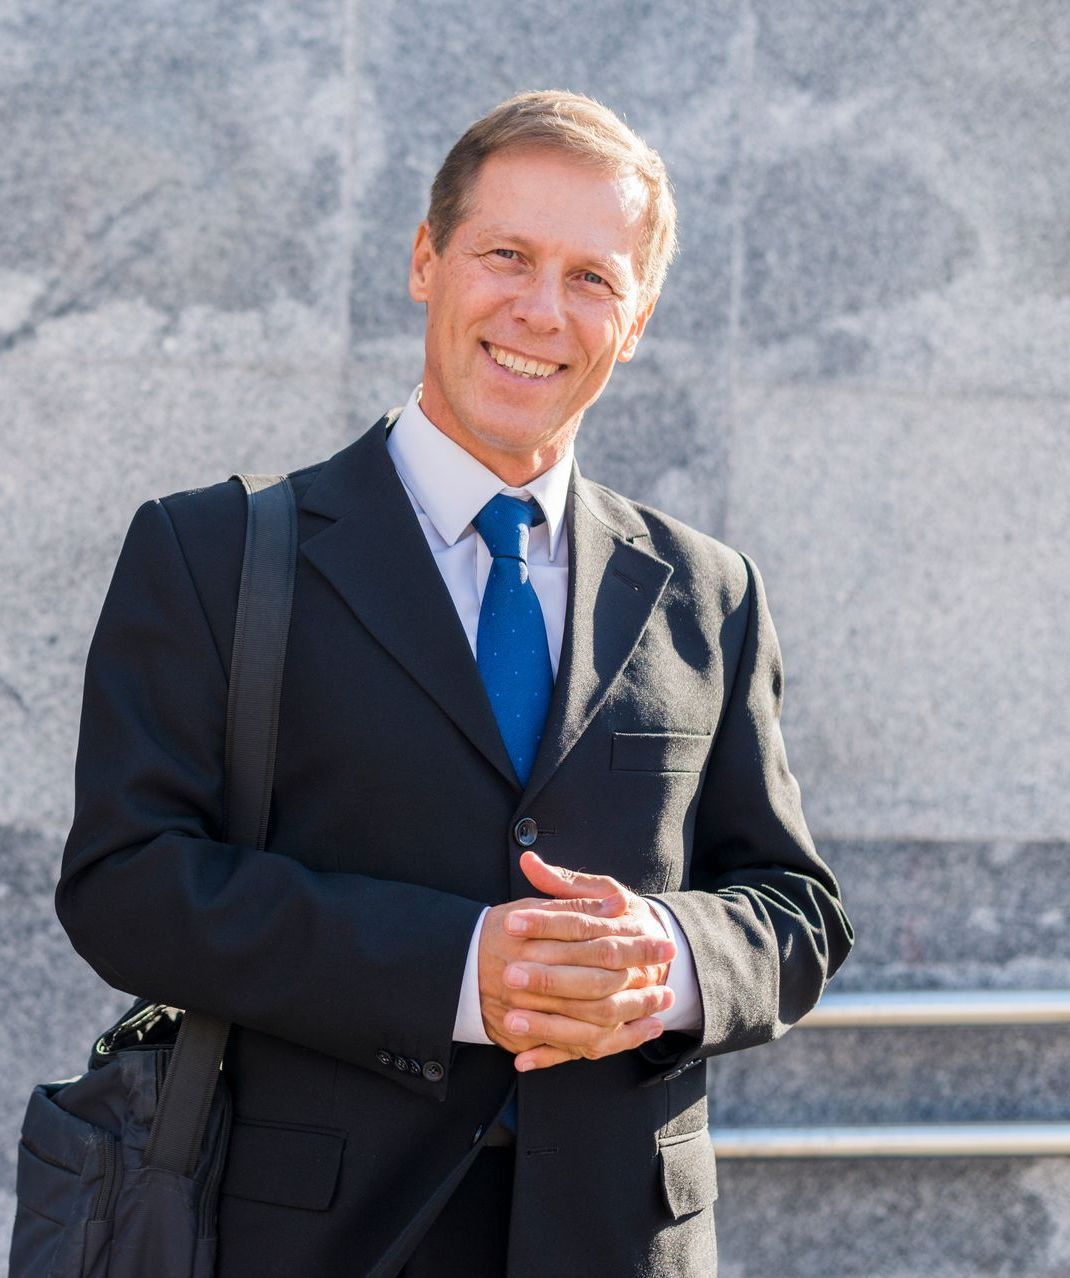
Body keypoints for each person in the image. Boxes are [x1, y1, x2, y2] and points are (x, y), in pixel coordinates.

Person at [55, 89, 852, 1277]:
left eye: (592, 277)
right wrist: (455, 972)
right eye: (507, 255)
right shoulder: (212, 551)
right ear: (427, 262)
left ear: (632, 321)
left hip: (616, 1238)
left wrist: (667, 956)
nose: (541, 308)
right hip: (308, 1235)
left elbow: (794, 909)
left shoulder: (708, 590)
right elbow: (125, 883)